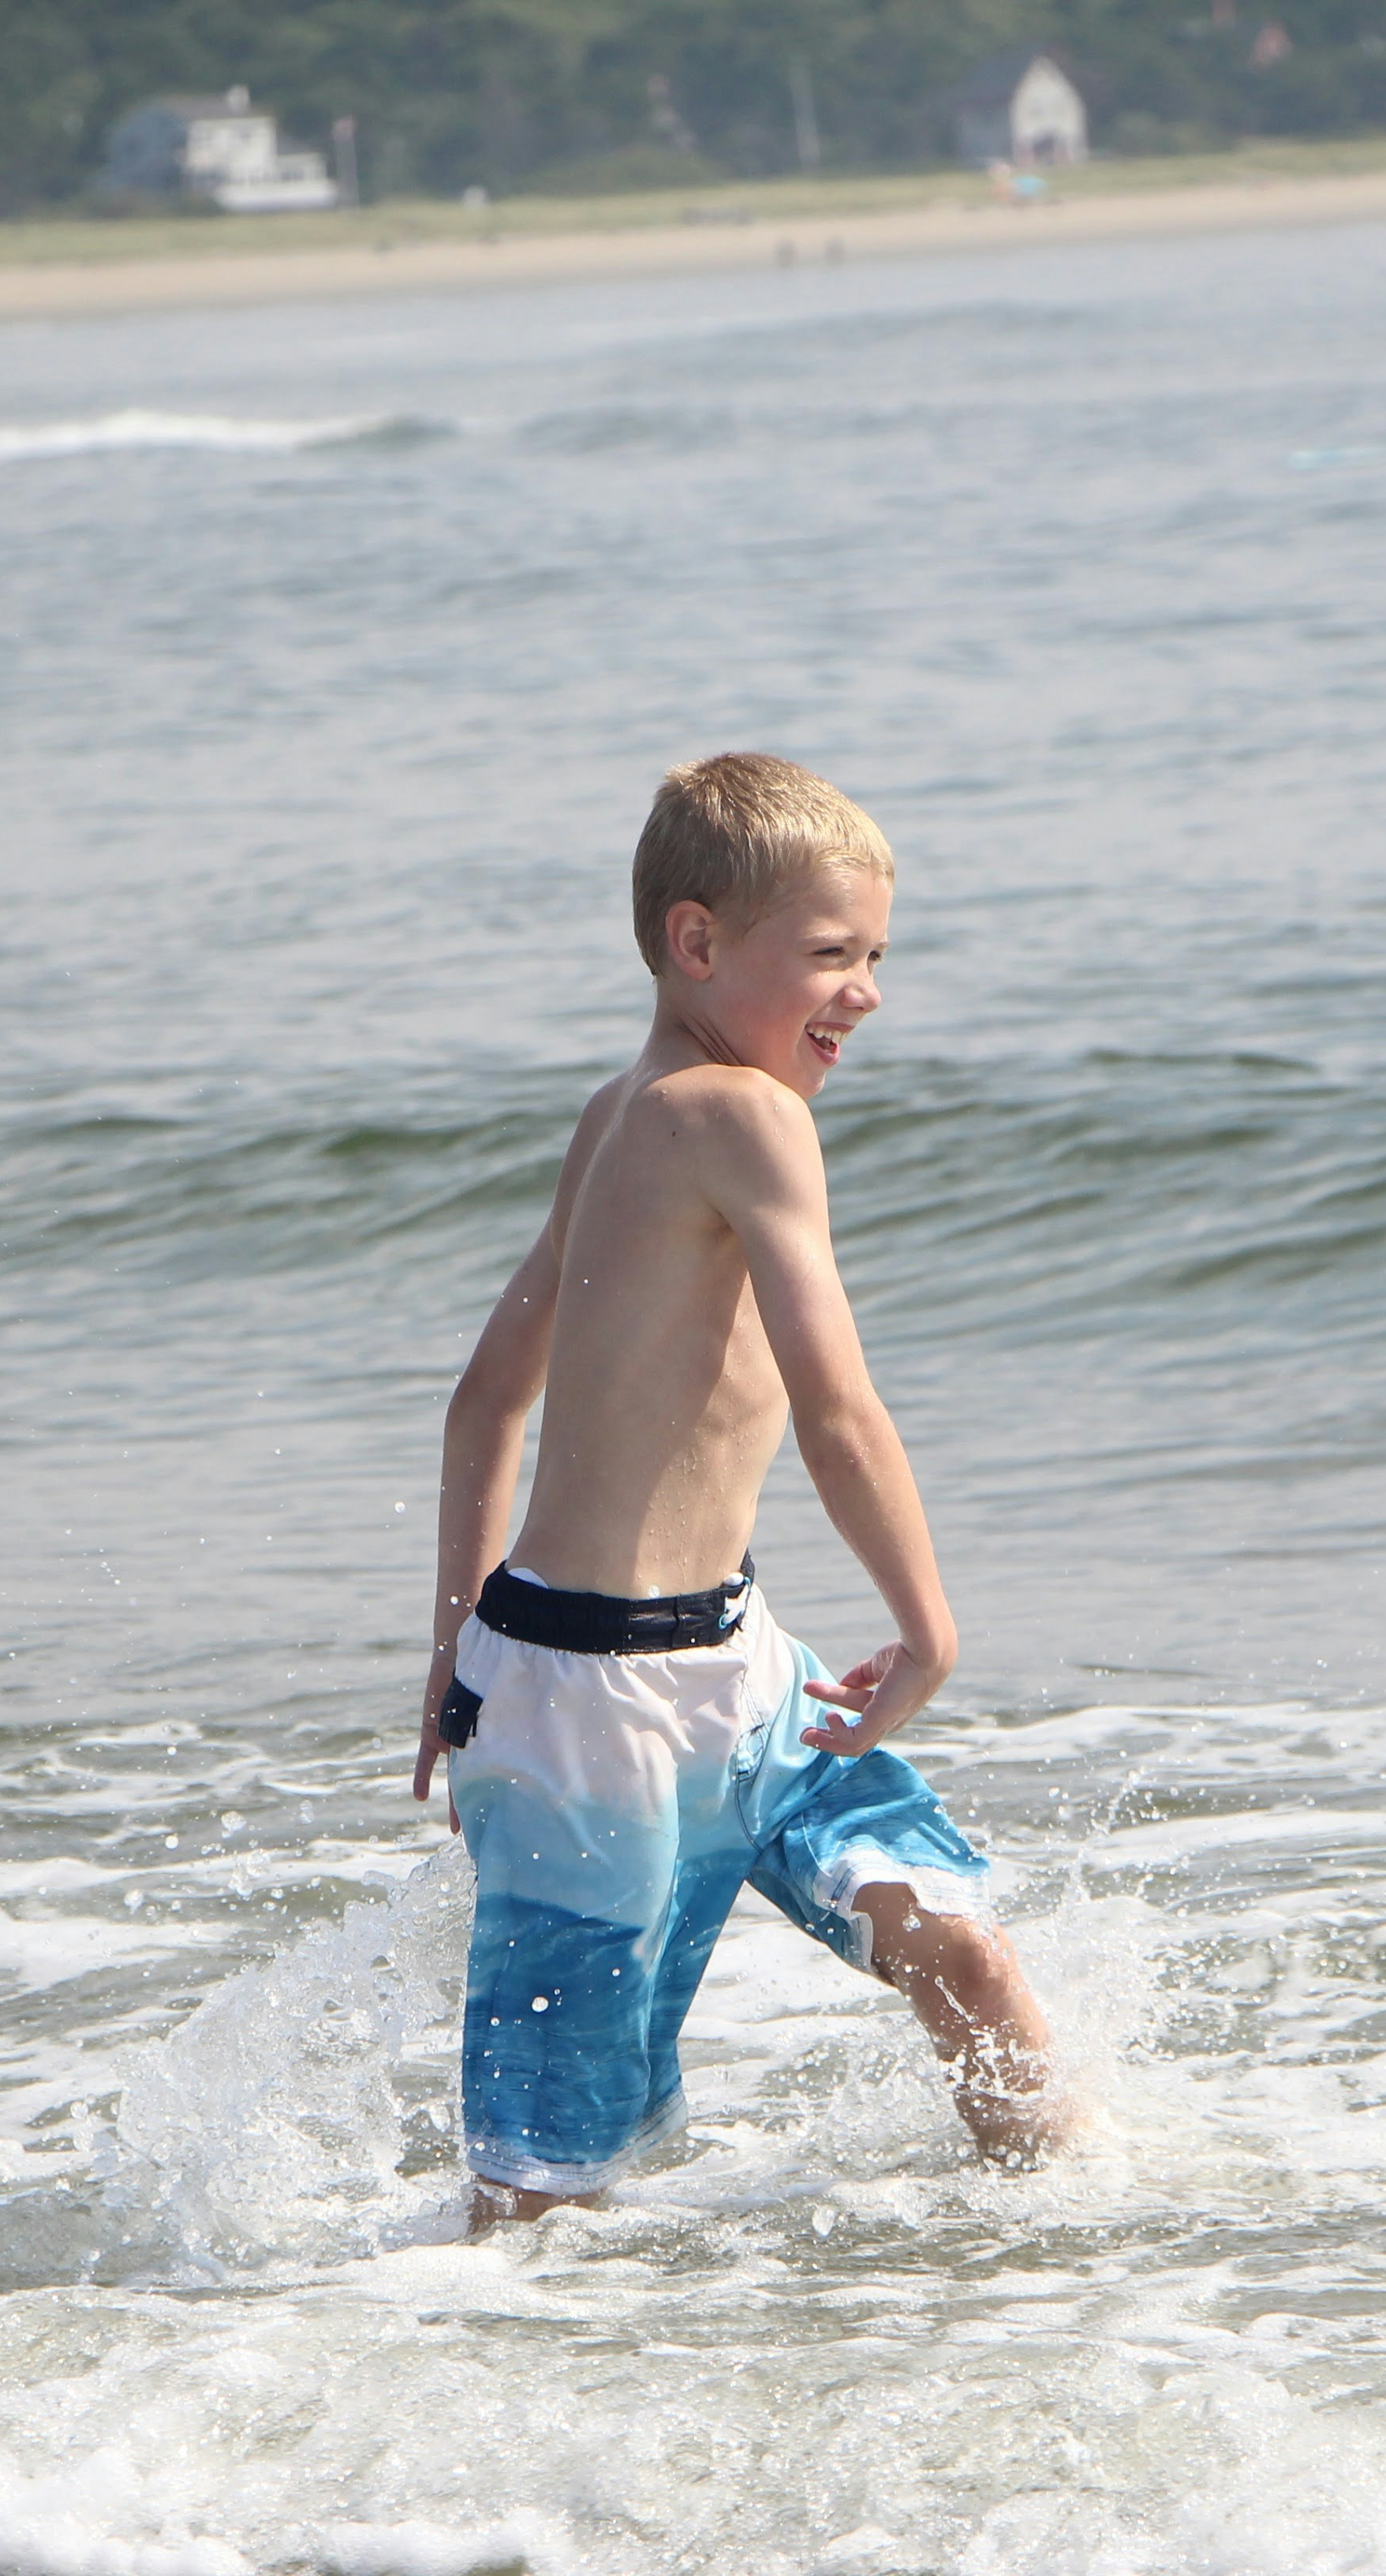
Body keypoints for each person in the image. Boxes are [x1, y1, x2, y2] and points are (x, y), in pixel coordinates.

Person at [410, 753, 1069, 2226]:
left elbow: (480, 1404)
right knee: (550, 2184)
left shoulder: (617, 1110)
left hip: (724, 1663)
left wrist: (452, 1662)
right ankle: (467, 2417)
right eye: (830, 956)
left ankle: (1074, 2271)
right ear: (697, 944)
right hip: (592, 1711)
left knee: (958, 1948)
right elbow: (835, 1406)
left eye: (877, 956)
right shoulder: (742, 1117)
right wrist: (929, 1627)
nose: (866, 994)